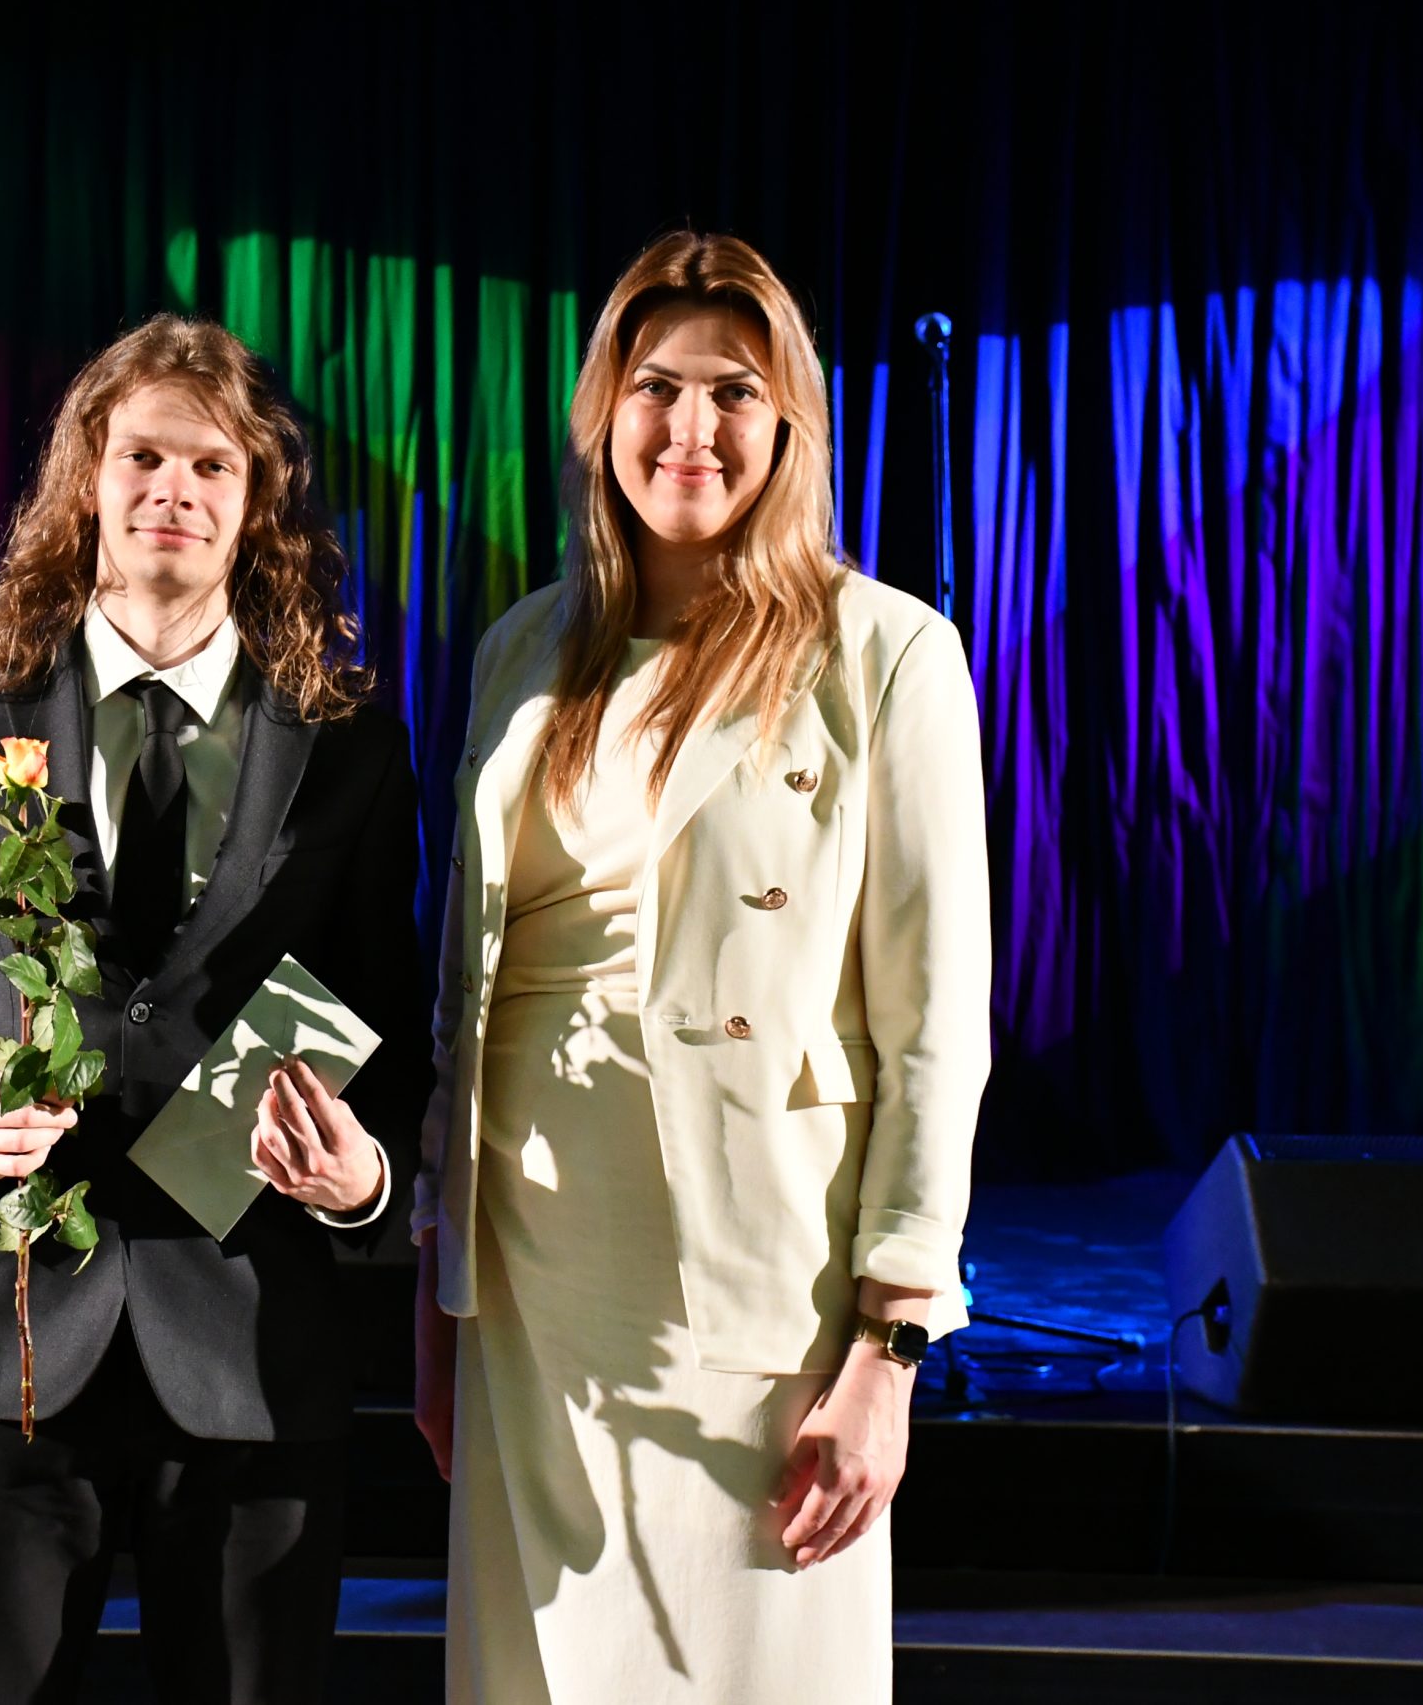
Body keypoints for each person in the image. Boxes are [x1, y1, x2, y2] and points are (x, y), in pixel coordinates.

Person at [411, 232, 990, 1702]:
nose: (692, 427)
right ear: (603, 413)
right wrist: (437, 1288)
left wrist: (890, 1348)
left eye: (735, 391)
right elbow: (465, 993)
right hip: (529, 1282)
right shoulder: (522, 648)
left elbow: (936, 1029)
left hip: (755, 1278)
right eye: (656, 386)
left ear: (789, 420)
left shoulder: (887, 652)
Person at [0, 314, 430, 1705]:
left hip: (255, 1355)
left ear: (256, 501)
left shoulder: (348, 747)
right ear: (86, 480)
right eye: (143, 456)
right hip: (3, 1350)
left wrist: (365, 1183)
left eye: (212, 465)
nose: (175, 490)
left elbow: (392, 1025)